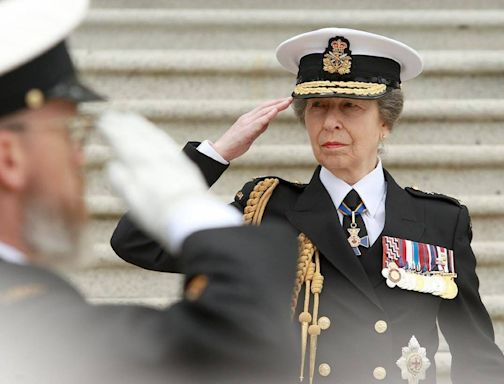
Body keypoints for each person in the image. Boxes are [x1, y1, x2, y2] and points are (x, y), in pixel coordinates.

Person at [112, 28, 504, 384]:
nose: (330, 122)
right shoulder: (266, 209)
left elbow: (477, 355)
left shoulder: (439, 220)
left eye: (350, 107)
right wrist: (218, 153)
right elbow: (137, 241)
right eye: (318, 106)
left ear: (385, 122)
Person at [0, 0, 297, 383]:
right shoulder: (22, 319)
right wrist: (188, 207)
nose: (78, 157)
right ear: (9, 159)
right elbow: (245, 347)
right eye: (68, 134)